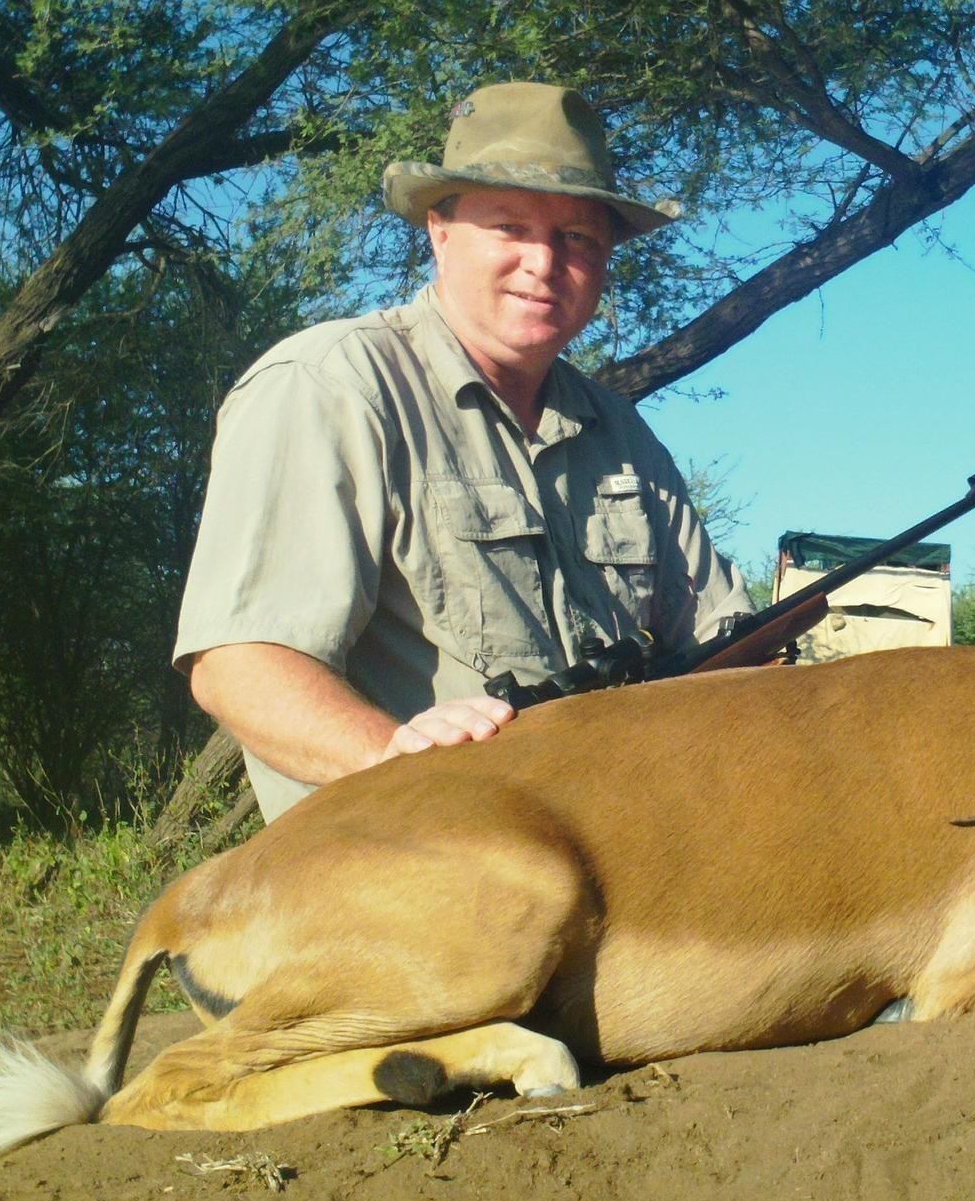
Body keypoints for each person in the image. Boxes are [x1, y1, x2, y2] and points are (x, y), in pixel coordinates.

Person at [174, 82, 751, 821]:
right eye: (510, 227)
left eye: (578, 238)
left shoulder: (621, 432)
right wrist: (393, 756)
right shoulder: (329, 385)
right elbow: (239, 666)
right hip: (410, 858)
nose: (544, 263)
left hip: (618, 839)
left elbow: (728, 640)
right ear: (439, 232)